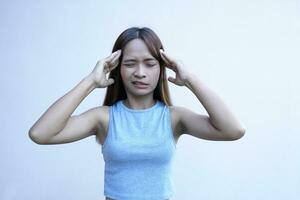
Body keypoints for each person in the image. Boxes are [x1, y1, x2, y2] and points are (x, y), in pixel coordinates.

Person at [28, 27, 246, 200]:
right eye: (130, 64)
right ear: (118, 69)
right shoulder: (103, 118)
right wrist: (90, 82)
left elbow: (234, 130)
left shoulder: (173, 118)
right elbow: (40, 134)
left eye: (150, 64)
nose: (140, 73)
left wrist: (189, 79)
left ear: (162, 68)